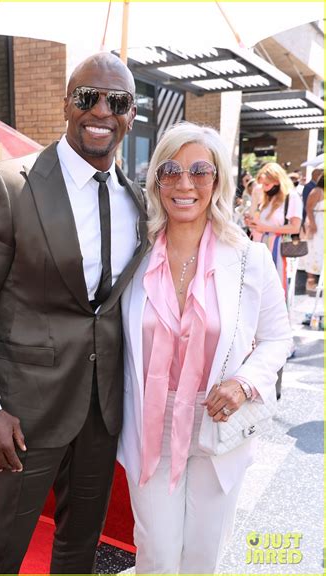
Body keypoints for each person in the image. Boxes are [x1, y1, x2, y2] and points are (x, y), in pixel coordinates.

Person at [0, 52, 148, 574]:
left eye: (117, 101)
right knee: (0, 553)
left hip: (103, 413)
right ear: (66, 103)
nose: (101, 110)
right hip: (21, 416)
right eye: (87, 97)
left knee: (80, 550)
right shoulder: (9, 185)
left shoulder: (138, 202)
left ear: (131, 114)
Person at [117, 122, 292, 574]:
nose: (185, 183)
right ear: (156, 179)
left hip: (219, 426)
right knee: (155, 554)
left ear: (218, 181)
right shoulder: (132, 255)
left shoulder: (248, 258)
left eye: (200, 171)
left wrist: (246, 382)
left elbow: (278, 337)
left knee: (203, 556)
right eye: (171, 170)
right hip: (149, 426)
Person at [245, 162, 302, 297]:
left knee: (274, 286)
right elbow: (260, 221)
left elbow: (295, 227)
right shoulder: (266, 197)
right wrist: (252, 222)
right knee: (257, 287)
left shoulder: (291, 197)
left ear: (277, 181)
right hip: (258, 245)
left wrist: (265, 228)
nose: (263, 188)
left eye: (266, 184)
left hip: (275, 245)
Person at [304, 175, 324, 294]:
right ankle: (310, 281)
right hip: (318, 222)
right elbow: (309, 208)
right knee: (314, 250)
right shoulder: (317, 191)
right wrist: (312, 223)